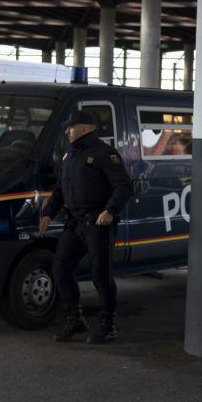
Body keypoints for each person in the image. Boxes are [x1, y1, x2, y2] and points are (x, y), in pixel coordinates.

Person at [39, 109, 132, 343]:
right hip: (74, 223)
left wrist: (110, 211)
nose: (68, 131)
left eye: (71, 127)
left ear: (84, 128)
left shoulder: (104, 154)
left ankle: (107, 326)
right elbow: (60, 189)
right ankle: (74, 319)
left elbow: (123, 185)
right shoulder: (69, 156)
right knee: (60, 269)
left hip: (97, 223)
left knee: (100, 275)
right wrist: (48, 214)